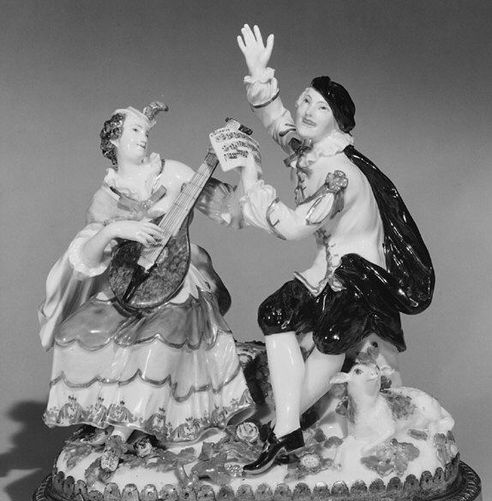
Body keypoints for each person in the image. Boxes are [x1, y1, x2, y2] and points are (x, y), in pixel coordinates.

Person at [235, 25, 435, 473]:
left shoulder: (338, 177)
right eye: (306, 100)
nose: (307, 110)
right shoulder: (311, 149)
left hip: (359, 279)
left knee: (330, 338)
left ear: (337, 123)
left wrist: (252, 179)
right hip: (325, 270)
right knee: (274, 315)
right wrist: (260, 74)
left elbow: (291, 226)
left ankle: (284, 428)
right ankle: (287, 425)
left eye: (320, 107)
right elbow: (278, 125)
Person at [39, 102, 252, 471]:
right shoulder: (107, 196)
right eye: (134, 130)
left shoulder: (174, 173)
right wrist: (116, 229)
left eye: (145, 130)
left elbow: (231, 213)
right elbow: (86, 256)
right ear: (114, 141)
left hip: (176, 282)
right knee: (72, 335)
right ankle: (108, 418)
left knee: (157, 340)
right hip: (130, 284)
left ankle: (125, 430)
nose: (143, 137)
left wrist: (247, 171)